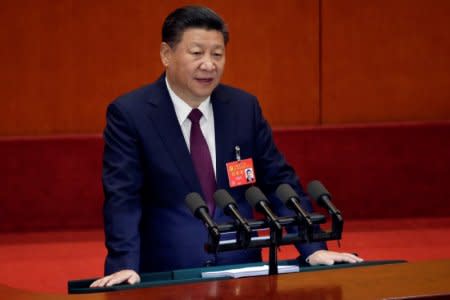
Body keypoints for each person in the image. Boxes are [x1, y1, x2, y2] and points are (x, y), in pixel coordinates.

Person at [91, 5, 362, 288]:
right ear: (166, 55)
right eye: (196, 53)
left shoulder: (243, 109)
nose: (209, 64)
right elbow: (123, 197)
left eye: (217, 54)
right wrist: (124, 265)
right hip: (167, 277)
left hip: (244, 275)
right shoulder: (132, 114)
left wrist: (313, 247)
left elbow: (279, 182)